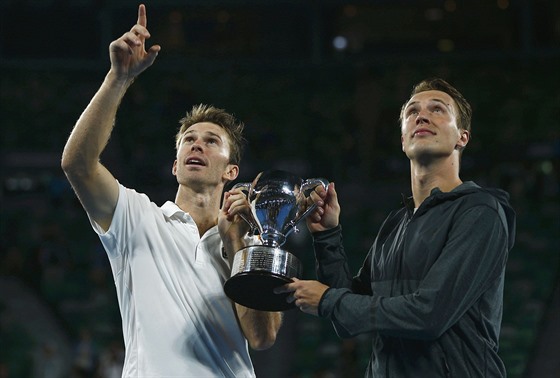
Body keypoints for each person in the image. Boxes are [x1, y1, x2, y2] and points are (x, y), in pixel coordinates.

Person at [61, 4, 282, 377]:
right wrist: (118, 78)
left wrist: (238, 247)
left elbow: (262, 338)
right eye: (189, 140)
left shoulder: (249, 242)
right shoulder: (135, 217)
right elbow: (77, 165)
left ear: (232, 170)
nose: (198, 145)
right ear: (175, 165)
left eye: (212, 141)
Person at [275, 78, 516, 377]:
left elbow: (430, 315)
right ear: (403, 139)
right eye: (412, 111)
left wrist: (327, 300)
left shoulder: (480, 212)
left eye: (438, 109)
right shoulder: (395, 224)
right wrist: (327, 237)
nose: (422, 115)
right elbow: (347, 317)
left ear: (462, 137)